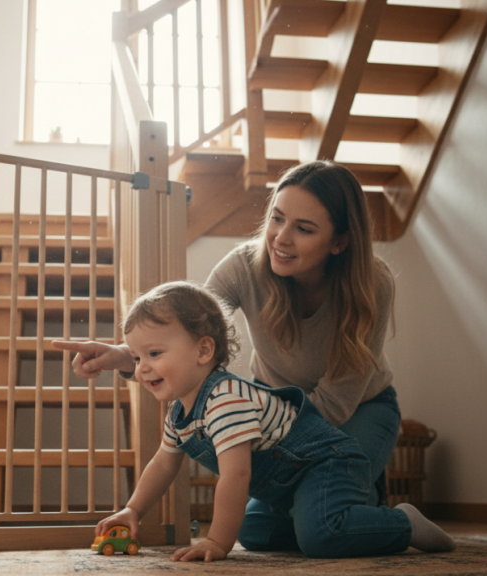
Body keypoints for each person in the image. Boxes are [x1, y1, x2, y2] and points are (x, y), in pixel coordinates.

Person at [54, 160, 401, 552]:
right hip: (273, 410)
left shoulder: (373, 283)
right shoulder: (244, 265)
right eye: (277, 218)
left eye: (303, 229)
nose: (280, 239)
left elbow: (337, 403)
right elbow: (189, 336)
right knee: (255, 532)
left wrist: (275, 461)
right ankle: (349, 505)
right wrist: (122, 356)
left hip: (357, 413)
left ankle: (384, 513)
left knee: (318, 528)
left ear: (339, 241)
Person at [63, 281, 452, 562]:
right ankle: (321, 518)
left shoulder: (225, 398)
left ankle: (400, 523)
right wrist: (132, 510)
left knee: (322, 538)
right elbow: (163, 464)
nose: (141, 368)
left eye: (153, 353)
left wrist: (217, 540)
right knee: (255, 534)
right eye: (135, 358)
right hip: (285, 488)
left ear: (203, 349)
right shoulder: (180, 414)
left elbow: (236, 476)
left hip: (325, 462)